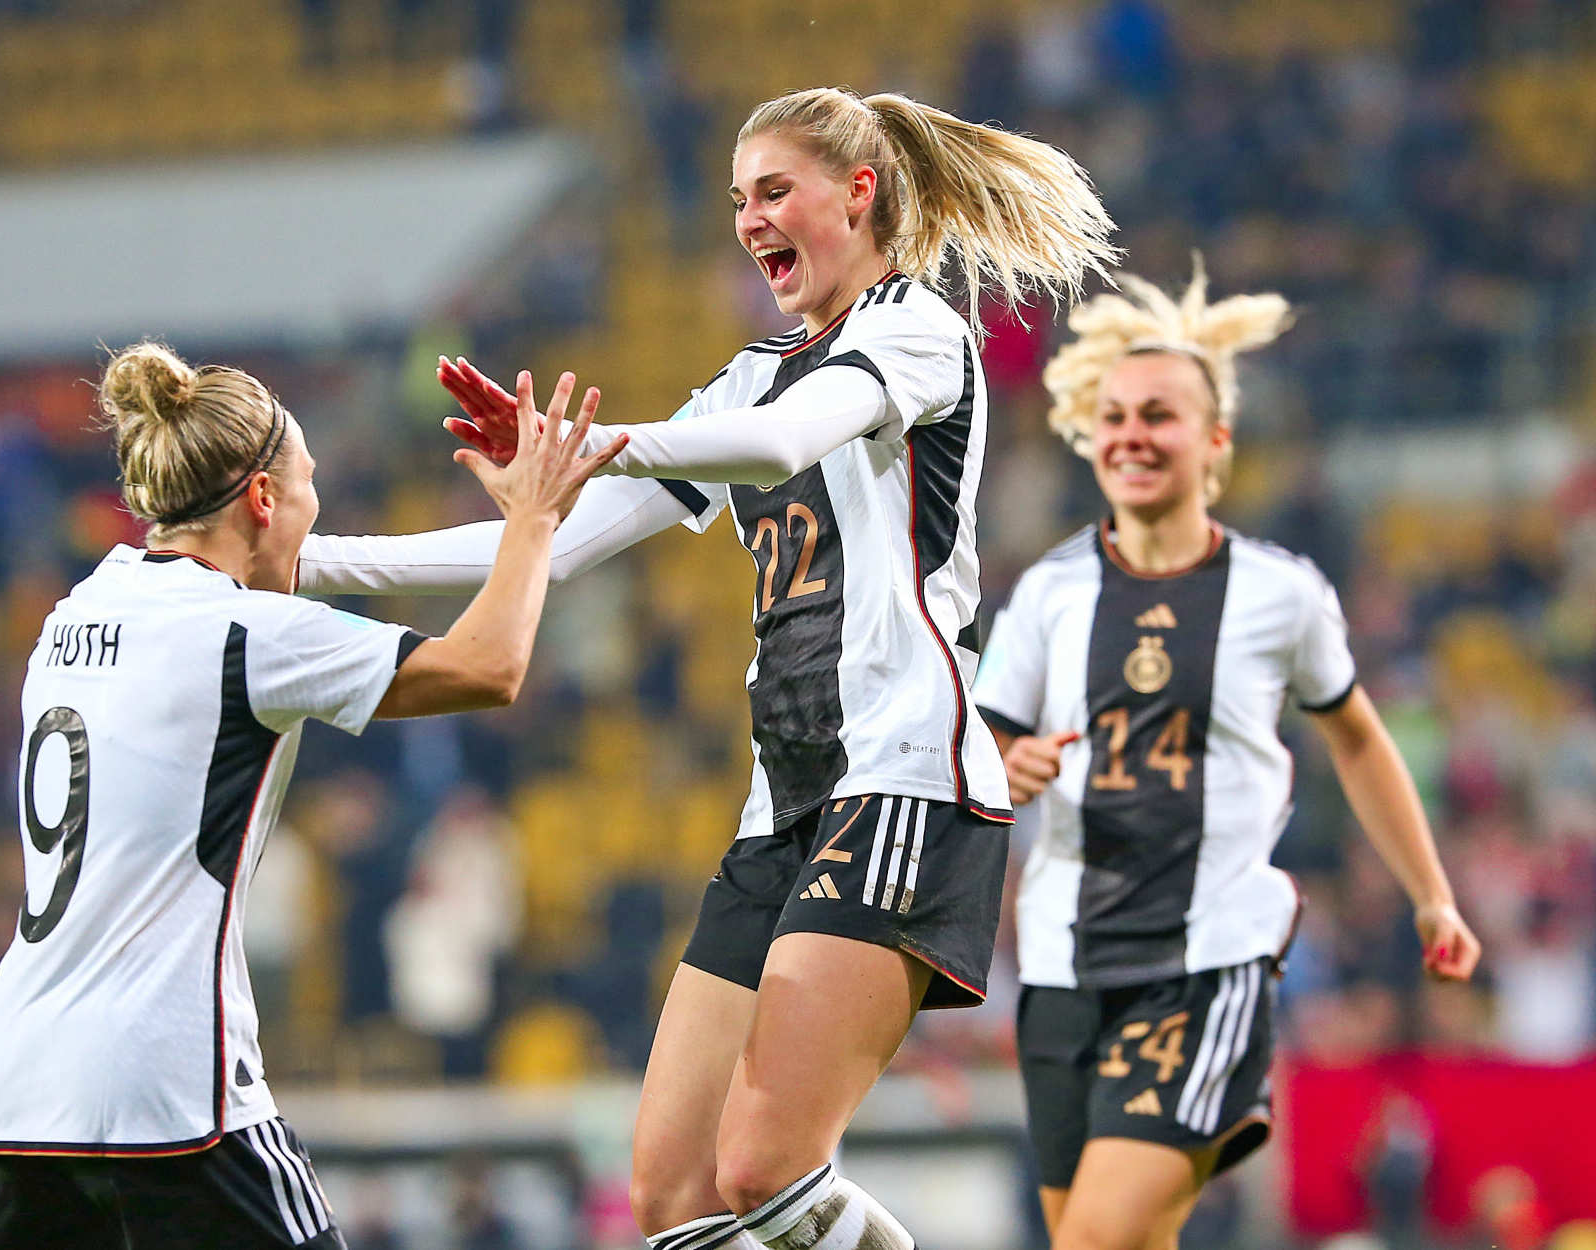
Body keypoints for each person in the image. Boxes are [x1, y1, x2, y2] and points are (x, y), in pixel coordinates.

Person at [296, 86, 1118, 1250]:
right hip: (781, 809)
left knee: (765, 1165)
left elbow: (786, 441)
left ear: (860, 191)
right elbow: (545, 538)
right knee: (673, 1194)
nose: (749, 220)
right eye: (738, 200)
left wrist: (587, 445)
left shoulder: (914, 331)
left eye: (774, 191)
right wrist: (298, 560)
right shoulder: (746, 375)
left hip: (899, 781)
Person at [0, 342, 623, 1250]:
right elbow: (490, 667)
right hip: (169, 1084)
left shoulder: (75, 612)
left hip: (20, 1087)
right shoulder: (242, 634)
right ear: (264, 500)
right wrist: (534, 515)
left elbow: (263, 576)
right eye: (309, 486)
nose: (318, 519)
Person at [971, 259, 1483, 1250]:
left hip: (1202, 962)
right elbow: (977, 746)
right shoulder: (1046, 592)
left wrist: (1430, 891)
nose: (1129, 433)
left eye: (1157, 414)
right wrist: (1005, 763)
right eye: (1112, 415)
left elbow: (1357, 738)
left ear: (1213, 442)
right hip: (1060, 968)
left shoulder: (1279, 595)